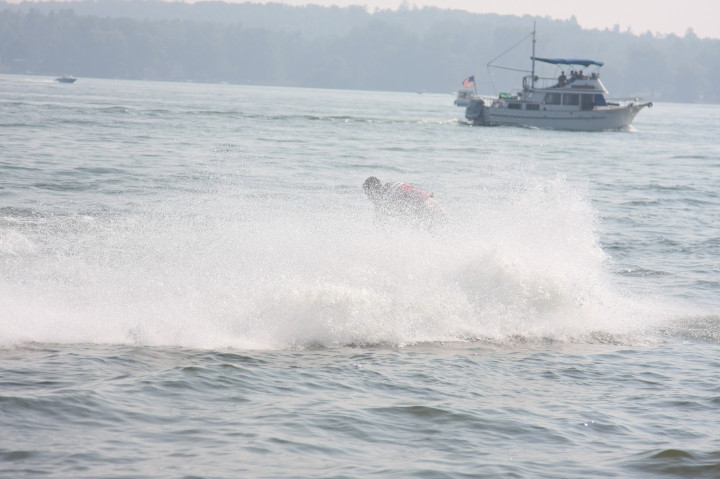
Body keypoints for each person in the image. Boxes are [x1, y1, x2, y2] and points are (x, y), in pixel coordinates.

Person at [362, 176, 445, 229]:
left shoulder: (384, 200)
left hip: (425, 208)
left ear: (372, 191)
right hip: (434, 203)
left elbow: (380, 224)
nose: (369, 198)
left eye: (368, 194)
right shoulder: (391, 185)